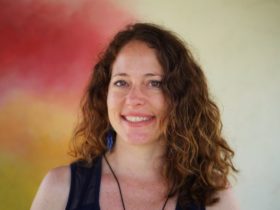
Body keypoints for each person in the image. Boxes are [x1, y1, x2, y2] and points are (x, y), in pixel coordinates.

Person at [31, 23, 239, 210]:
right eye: (122, 82)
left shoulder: (214, 199)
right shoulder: (60, 188)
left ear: (181, 97)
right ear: (105, 94)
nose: (134, 99)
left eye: (154, 83)